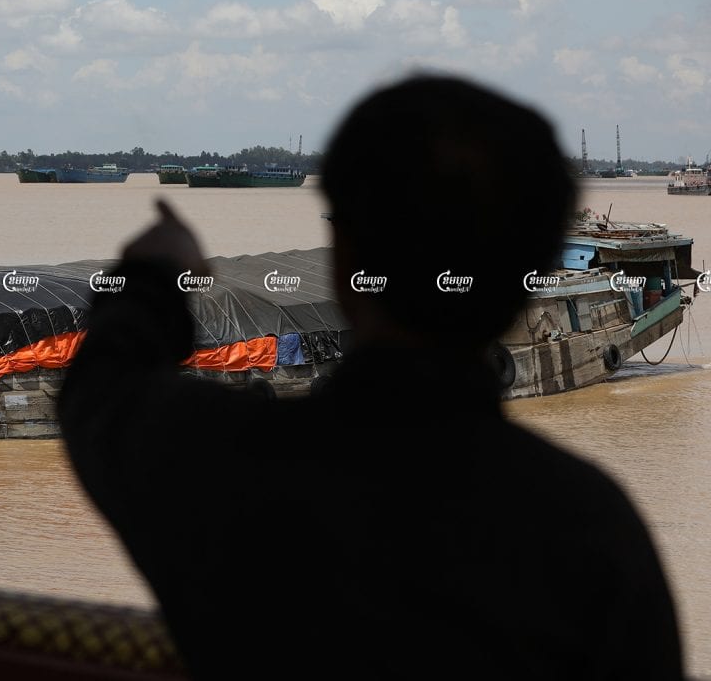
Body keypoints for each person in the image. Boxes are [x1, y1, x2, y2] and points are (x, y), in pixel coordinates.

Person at [58, 73, 685, 679]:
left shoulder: (221, 465)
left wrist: (151, 281)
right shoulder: (588, 527)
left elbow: (100, 390)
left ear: (346, 258)